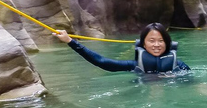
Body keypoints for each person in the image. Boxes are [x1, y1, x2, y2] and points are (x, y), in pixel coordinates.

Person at [53, 22, 190, 74]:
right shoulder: (134, 66)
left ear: (167, 43)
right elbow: (101, 61)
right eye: (152, 41)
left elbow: (194, 81)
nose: (156, 45)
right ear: (143, 44)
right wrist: (70, 41)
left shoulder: (178, 65)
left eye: (161, 41)